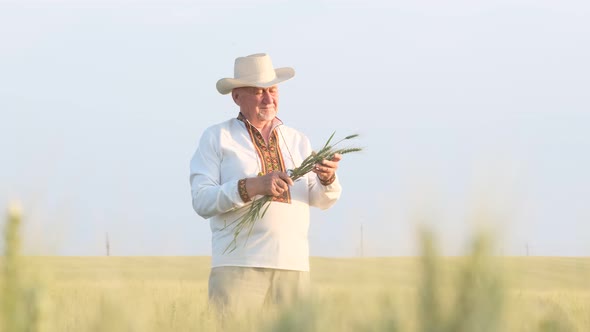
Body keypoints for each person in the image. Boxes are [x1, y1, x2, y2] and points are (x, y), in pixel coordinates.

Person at [189, 53, 343, 316]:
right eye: (259, 92)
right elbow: (202, 200)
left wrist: (326, 179)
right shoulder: (217, 137)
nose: (269, 99)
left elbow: (321, 200)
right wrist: (253, 186)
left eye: (272, 90)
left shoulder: (297, 139)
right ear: (237, 96)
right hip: (238, 267)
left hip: (294, 266)